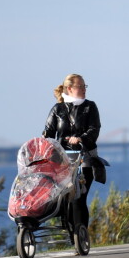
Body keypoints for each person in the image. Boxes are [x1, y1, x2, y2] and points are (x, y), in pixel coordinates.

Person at [42, 73, 101, 230]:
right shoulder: (57, 109)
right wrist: (46, 144)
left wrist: (81, 138)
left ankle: (80, 234)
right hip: (63, 161)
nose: (83, 89)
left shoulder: (90, 107)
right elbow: (48, 132)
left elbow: (94, 129)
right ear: (69, 88)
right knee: (64, 200)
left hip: (85, 158)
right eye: (80, 86)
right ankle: (71, 233)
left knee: (78, 197)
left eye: (84, 86)